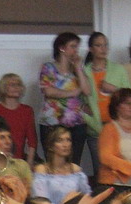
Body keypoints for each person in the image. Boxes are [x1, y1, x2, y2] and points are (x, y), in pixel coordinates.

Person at [38, 31, 91, 166]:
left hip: (76, 124)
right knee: (53, 164)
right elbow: (48, 91)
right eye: (72, 46)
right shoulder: (48, 67)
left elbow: (87, 90)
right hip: (52, 123)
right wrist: (72, 93)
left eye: (77, 47)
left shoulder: (77, 70)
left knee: (73, 163)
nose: (76, 50)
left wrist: (78, 68)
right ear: (62, 48)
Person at [82, 31, 131, 178]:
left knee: (119, 170)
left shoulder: (118, 69)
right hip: (95, 128)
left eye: (105, 45)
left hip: (117, 127)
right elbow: (78, 96)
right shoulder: (84, 71)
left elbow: (130, 96)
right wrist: (83, 109)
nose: (103, 49)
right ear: (91, 49)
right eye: (98, 45)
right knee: (100, 171)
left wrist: (113, 89)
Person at [32, 125, 91, 204]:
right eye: (60, 140)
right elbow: (40, 201)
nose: (65, 144)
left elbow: (87, 197)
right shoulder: (42, 170)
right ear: (51, 146)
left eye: (68, 140)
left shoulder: (76, 170)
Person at [0, 73, 37, 167]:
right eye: (13, 85)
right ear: (4, 88)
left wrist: (28, 164)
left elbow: (32, 142)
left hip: (19, 161)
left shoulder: (27, 111)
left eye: (19, 85)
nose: (17, 87)